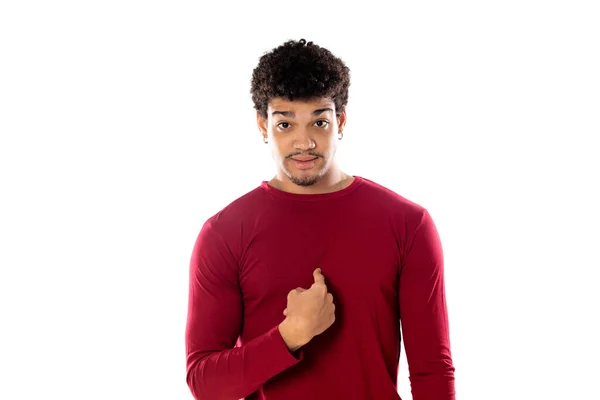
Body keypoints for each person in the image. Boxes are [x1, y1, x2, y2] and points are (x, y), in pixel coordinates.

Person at [185, 38, 456, 400]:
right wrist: (289, 336)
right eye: (285, 124)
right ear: (262, 125)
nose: (304, 142)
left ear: (340, 120)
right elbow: (204, 383)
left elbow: (431, 374)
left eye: (319, 122)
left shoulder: (407, 224)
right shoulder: (224, 233)